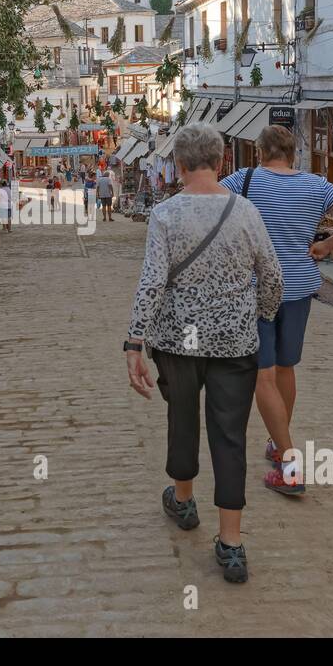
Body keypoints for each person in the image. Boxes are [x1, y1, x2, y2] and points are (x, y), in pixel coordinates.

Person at [124, 124, 284, 584]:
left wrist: (135, 342)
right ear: (220, 161)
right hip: (235, 342)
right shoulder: (246, 211)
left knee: (183, 419)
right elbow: (271, 276)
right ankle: (232, 544)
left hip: (179, 340)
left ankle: (183, 498)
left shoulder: (167, 214)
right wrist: (260, 317)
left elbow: (153, 281)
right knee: (229, 433)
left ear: (178, 165)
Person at [221, 125, 333, 494]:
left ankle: (289, 463)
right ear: (293, 154)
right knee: (286, 367)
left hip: (256, 290)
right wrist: (326, 247)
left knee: (262, 374)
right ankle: (279, 443)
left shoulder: (243, 181)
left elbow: (201, 205)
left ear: (261, 152)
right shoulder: (316, 188)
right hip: (298, 288)